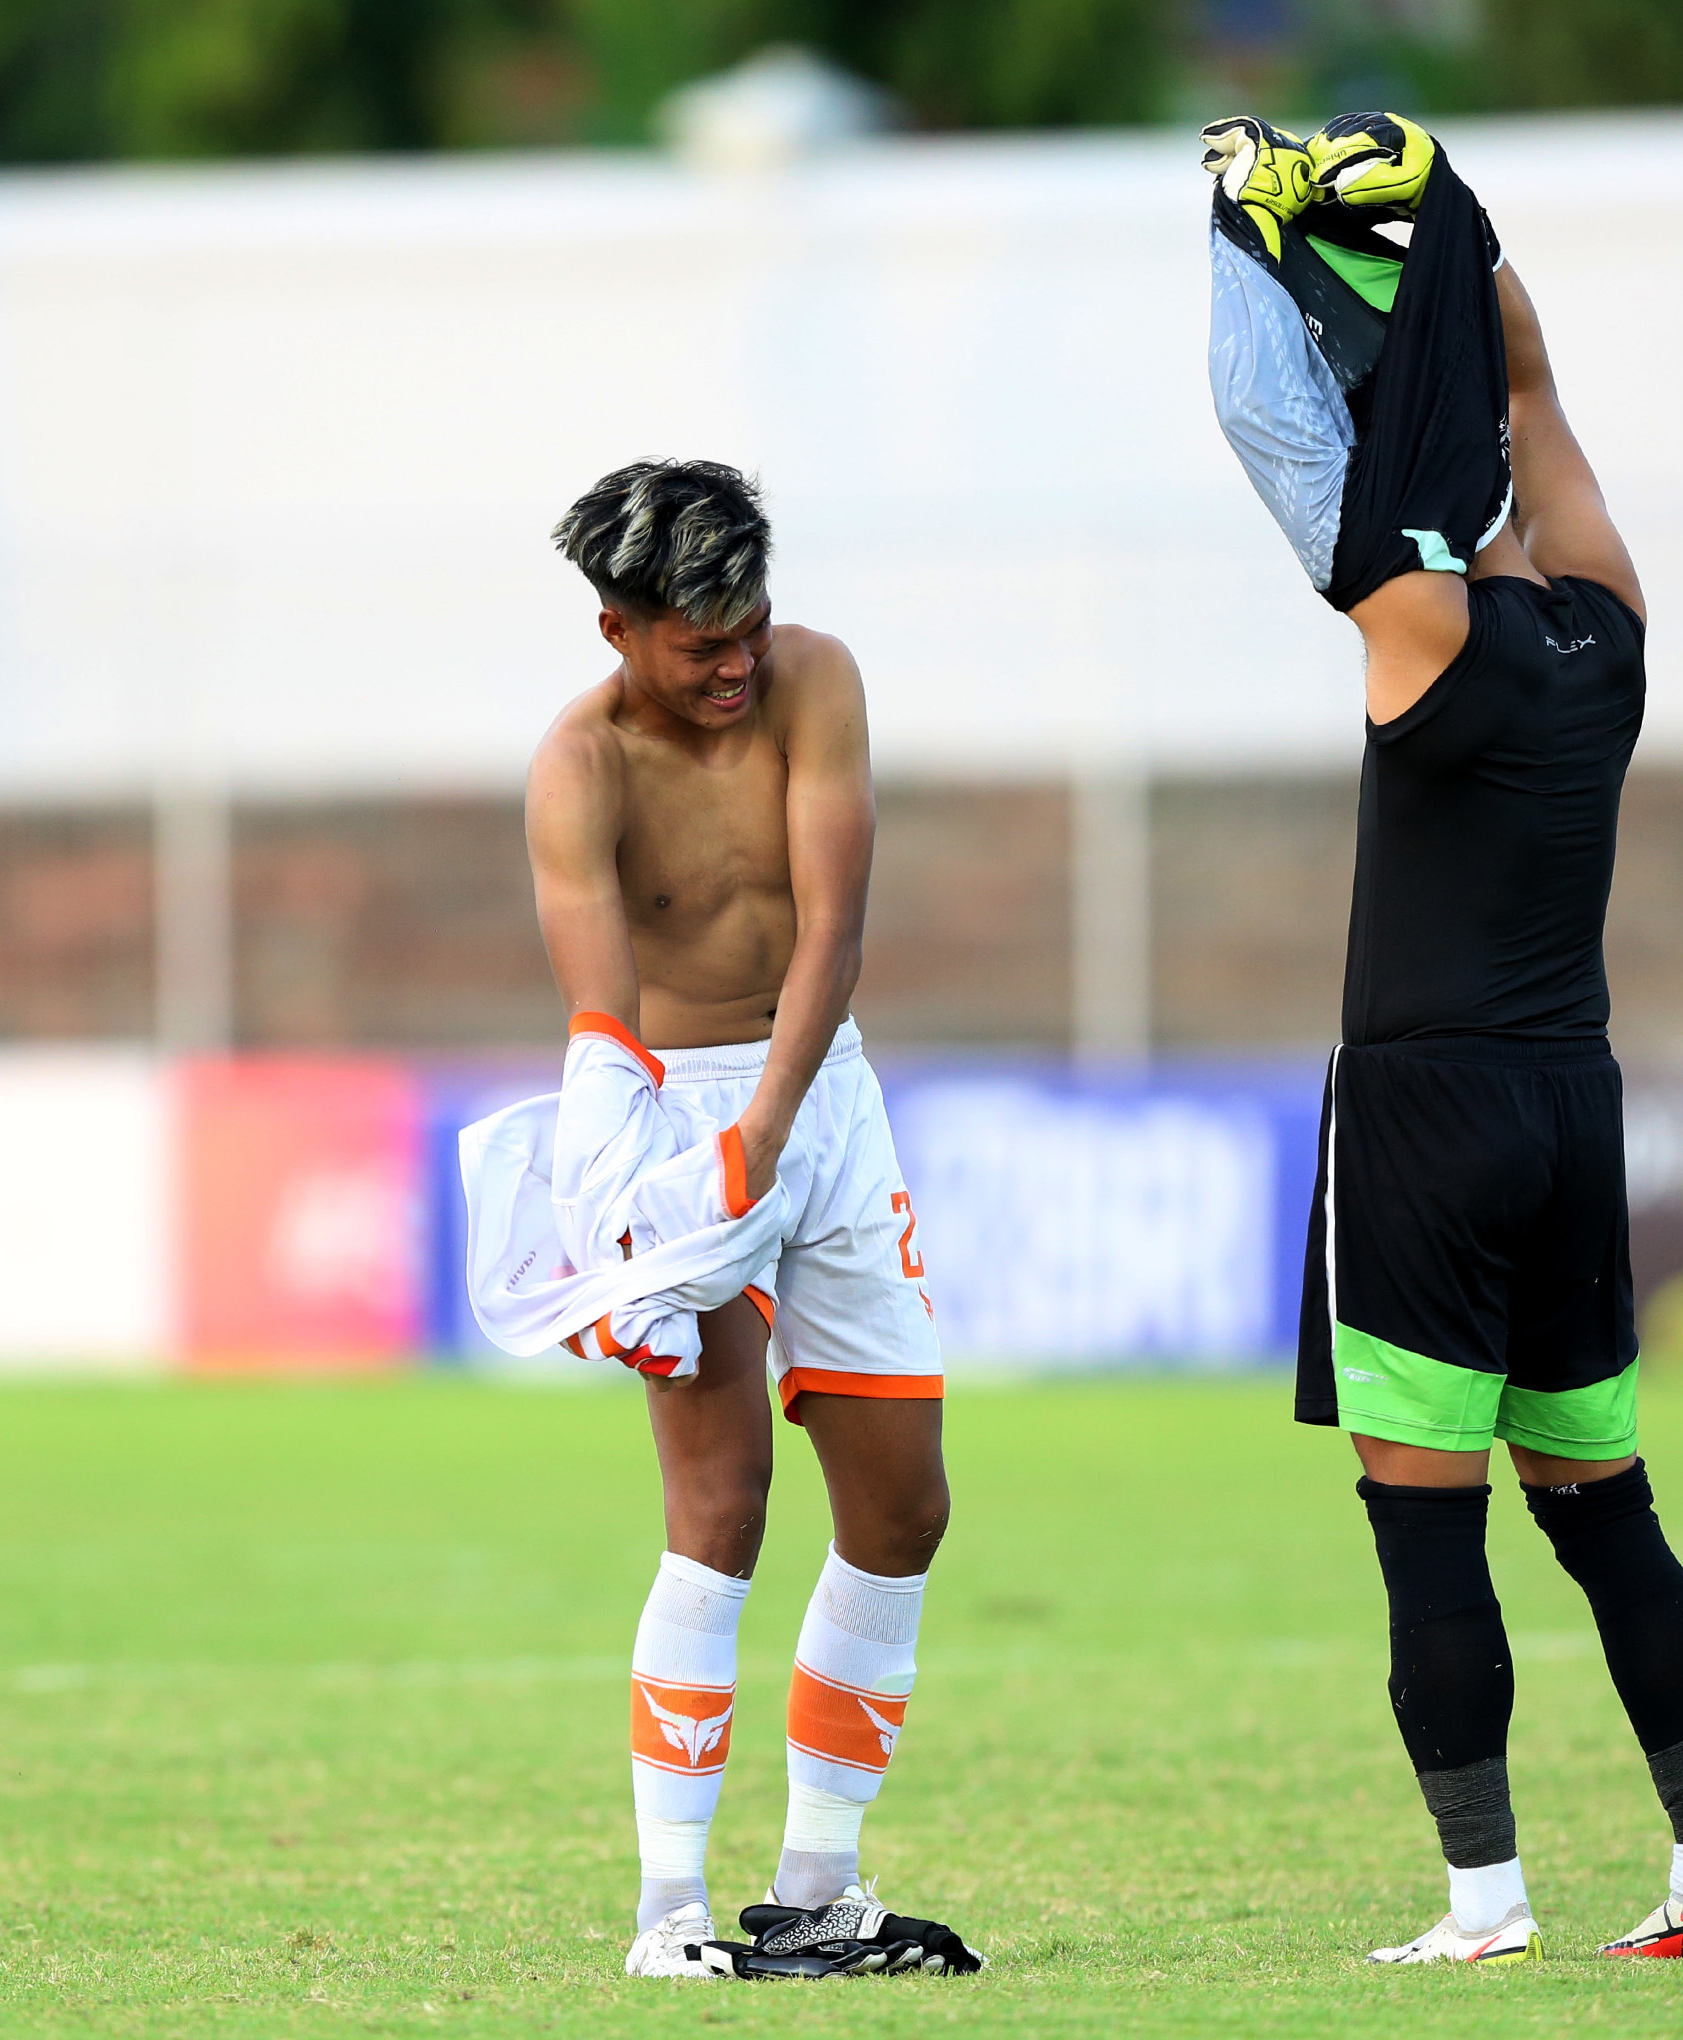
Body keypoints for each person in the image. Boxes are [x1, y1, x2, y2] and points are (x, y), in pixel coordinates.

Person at [1203, 114, 1683, 1966]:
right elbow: (1534, 389)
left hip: (1430, 1117)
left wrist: (1259, 238)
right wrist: (1464, 235)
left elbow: (1295, 446)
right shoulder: (1610, 636)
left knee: (1425, 1535)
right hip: (1567, 1107)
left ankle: (1484, 1901)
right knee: (1607, 1515)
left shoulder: (1421, 629)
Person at [522, 457, 977, 1981]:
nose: (735, 663)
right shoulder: (575, 769)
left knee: (905, 1506)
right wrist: (627, 1206)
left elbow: (833, 932)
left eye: (749, 626)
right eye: (698, 642)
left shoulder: (814, 682)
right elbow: (601, 1021)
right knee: (718, 1517)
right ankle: (671, 1920)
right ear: (617, 632)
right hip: (670, 1118)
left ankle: (817, 1893)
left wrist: (771, 1135)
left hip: (817, 1100)